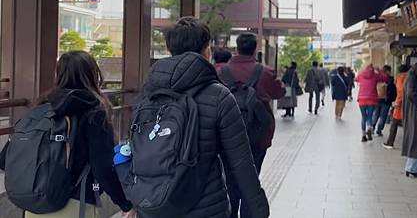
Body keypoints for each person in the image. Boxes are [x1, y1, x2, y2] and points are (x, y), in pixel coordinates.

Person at [140, 18, 269, 217]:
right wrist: (258, 207)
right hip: (206, 206)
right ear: (205, 49)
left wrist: (130, 202)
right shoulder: (219, 96)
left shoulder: (148, 92)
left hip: (155, 203)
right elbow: (240, 161)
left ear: (169, 48)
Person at [1, 51, 136, 218]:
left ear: (58, 74)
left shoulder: (41, 109)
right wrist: (125, 204)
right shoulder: (93, 113)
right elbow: (103, 167)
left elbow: (5, 158)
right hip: (76, 204)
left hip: (35, 206)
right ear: (92, 74)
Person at [219, 32, 284, 218]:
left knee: (229, 180)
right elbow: (279, 92)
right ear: (255, 48)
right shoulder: (264, 72)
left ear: (236, 47)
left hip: (227, 137)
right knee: (252, 179)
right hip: (258, 137)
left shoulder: (221, 73)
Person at [355, 64, 387, 142]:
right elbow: (385, 78)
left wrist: (361, 71)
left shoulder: (361, 74)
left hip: (362, 99)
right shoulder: (375, 75)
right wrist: (379, 71)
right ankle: (369, 127)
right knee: (369, 116)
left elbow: (355, 79)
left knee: (363, 117)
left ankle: (363, 136)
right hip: (372, 99)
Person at [383, 65, 409, 149]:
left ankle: (390, 143)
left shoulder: (400, 78)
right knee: (406, 124)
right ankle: (408, 144)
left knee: (394, 123)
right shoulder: (409, 77)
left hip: (400, 105)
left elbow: (400, 91)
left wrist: (397, 102)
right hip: (408, 105)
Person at [373, 65, 397, 136]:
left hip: (377, 99)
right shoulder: (390, 79)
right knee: (383, 116)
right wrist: (393, 99)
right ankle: (379, 130)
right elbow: (392, 90)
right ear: (388, 71)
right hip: (386, 100)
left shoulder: (377, 77)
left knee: (376, 114)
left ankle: (372, 127)